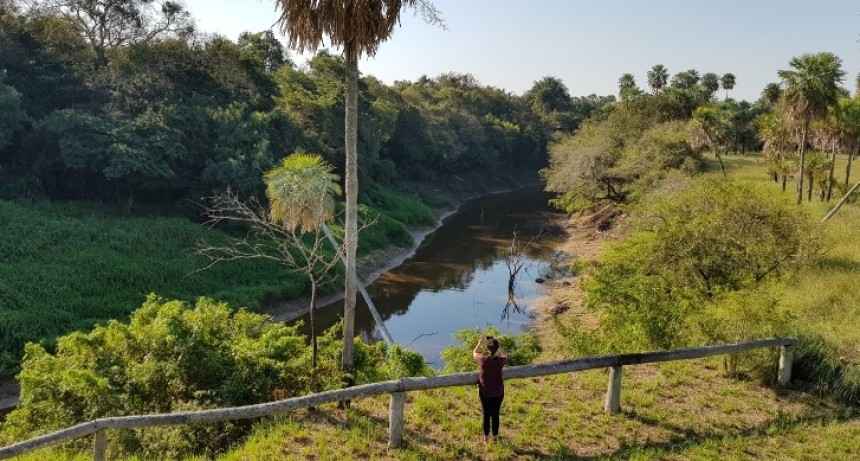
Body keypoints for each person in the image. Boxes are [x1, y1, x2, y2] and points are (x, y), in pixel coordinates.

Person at [473, 335, 507, 442]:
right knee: (495, 414)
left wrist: (480, 343)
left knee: (486, 414)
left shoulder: (483, 360)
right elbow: (505, 354)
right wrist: (498, 345)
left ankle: (486, 438)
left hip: (485, 392)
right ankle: (495, 438)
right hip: (498, 392)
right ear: (497, 348)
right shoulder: (501, 361)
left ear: (487, 348)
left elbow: (474, 352)